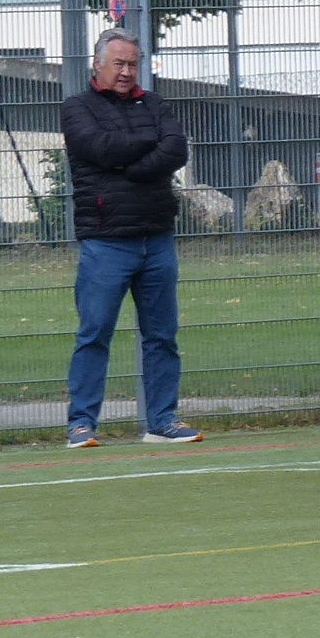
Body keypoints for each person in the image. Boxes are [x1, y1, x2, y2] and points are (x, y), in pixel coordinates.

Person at [60, 28, 201, 447]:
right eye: (119, 63)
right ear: (98, 65)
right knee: (94, 333)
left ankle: (162, 421)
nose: (126, 72)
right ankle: (81, 424)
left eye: (133, 64)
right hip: (105, 241)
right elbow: (99, 148)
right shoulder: (77, 108)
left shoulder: (154, 103)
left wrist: (132, 166)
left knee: (162, 336)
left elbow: (176, 149)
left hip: (156, 239)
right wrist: (149, 148)